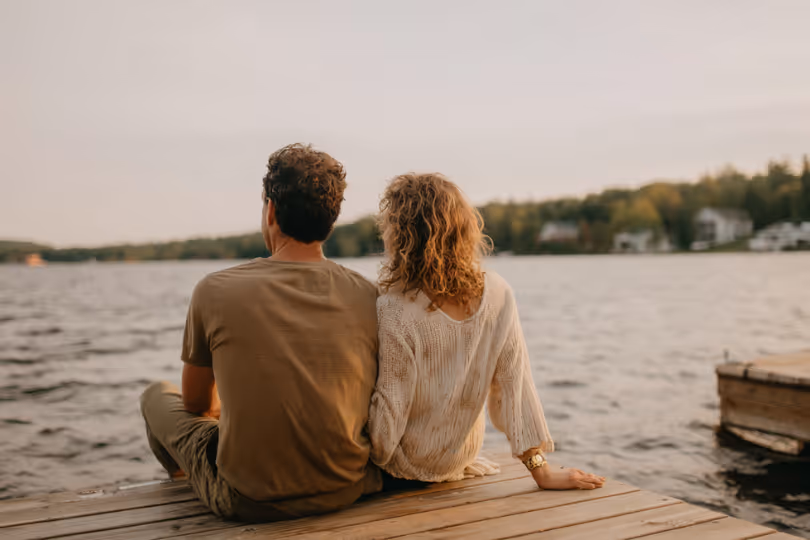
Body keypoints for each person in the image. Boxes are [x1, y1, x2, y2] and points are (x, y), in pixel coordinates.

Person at [139, 144, 382, 521]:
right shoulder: (369, 294)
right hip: (345, 488)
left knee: (156, 395)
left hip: (248, 499)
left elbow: (196, 405)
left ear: (270, 210)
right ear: (331, 220)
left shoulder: (214, 290)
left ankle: (189, 480)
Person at [368, 173, 605, 491]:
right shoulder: (497, 292)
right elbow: (514, 387)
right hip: (459, 457)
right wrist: (541, 472)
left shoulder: (395, 307)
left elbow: (385, 435)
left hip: (404, 469)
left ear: (401, 235)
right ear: (463, 228)